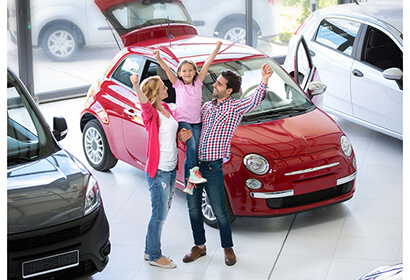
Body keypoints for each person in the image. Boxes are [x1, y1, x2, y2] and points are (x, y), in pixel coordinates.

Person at [183, 63, 274, 266]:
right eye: (216, 82)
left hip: (213, 167)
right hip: (192, 167)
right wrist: (183, 135)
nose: (214, 85)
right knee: (194, 209)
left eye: (219, 83)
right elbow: (191, 132)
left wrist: (264, 80)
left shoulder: (234, 107)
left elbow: (255, 99)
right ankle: (199, 246)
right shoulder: (205, 107)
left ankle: (228, 248)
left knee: (220, 211)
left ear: (229, 90)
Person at [130, 74, 192, 269]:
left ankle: (150, 250)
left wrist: (181, 137)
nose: (167, 89)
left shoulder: (166, 109)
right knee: (159, 215)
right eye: (163, 87)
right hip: (159, 171)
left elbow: (168, 137)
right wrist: (135, 85)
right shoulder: (151, 114)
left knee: (162, 212)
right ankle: (155, 256)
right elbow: (145, 105)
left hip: (171, 168)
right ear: (156, 93)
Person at [153, 41, 222, 195]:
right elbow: (166, 69)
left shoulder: (198, 83)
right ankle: (194, 172)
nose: (188, 73)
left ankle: (190, 182)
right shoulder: (177, 85)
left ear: (195, 72)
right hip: (183, 120)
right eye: (184, 71)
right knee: (191, 142)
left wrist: (216, 49)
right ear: (179, 74)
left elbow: (207, 63)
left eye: (191, 70)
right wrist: (158, 58)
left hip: (197, 121)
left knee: (195, 149)